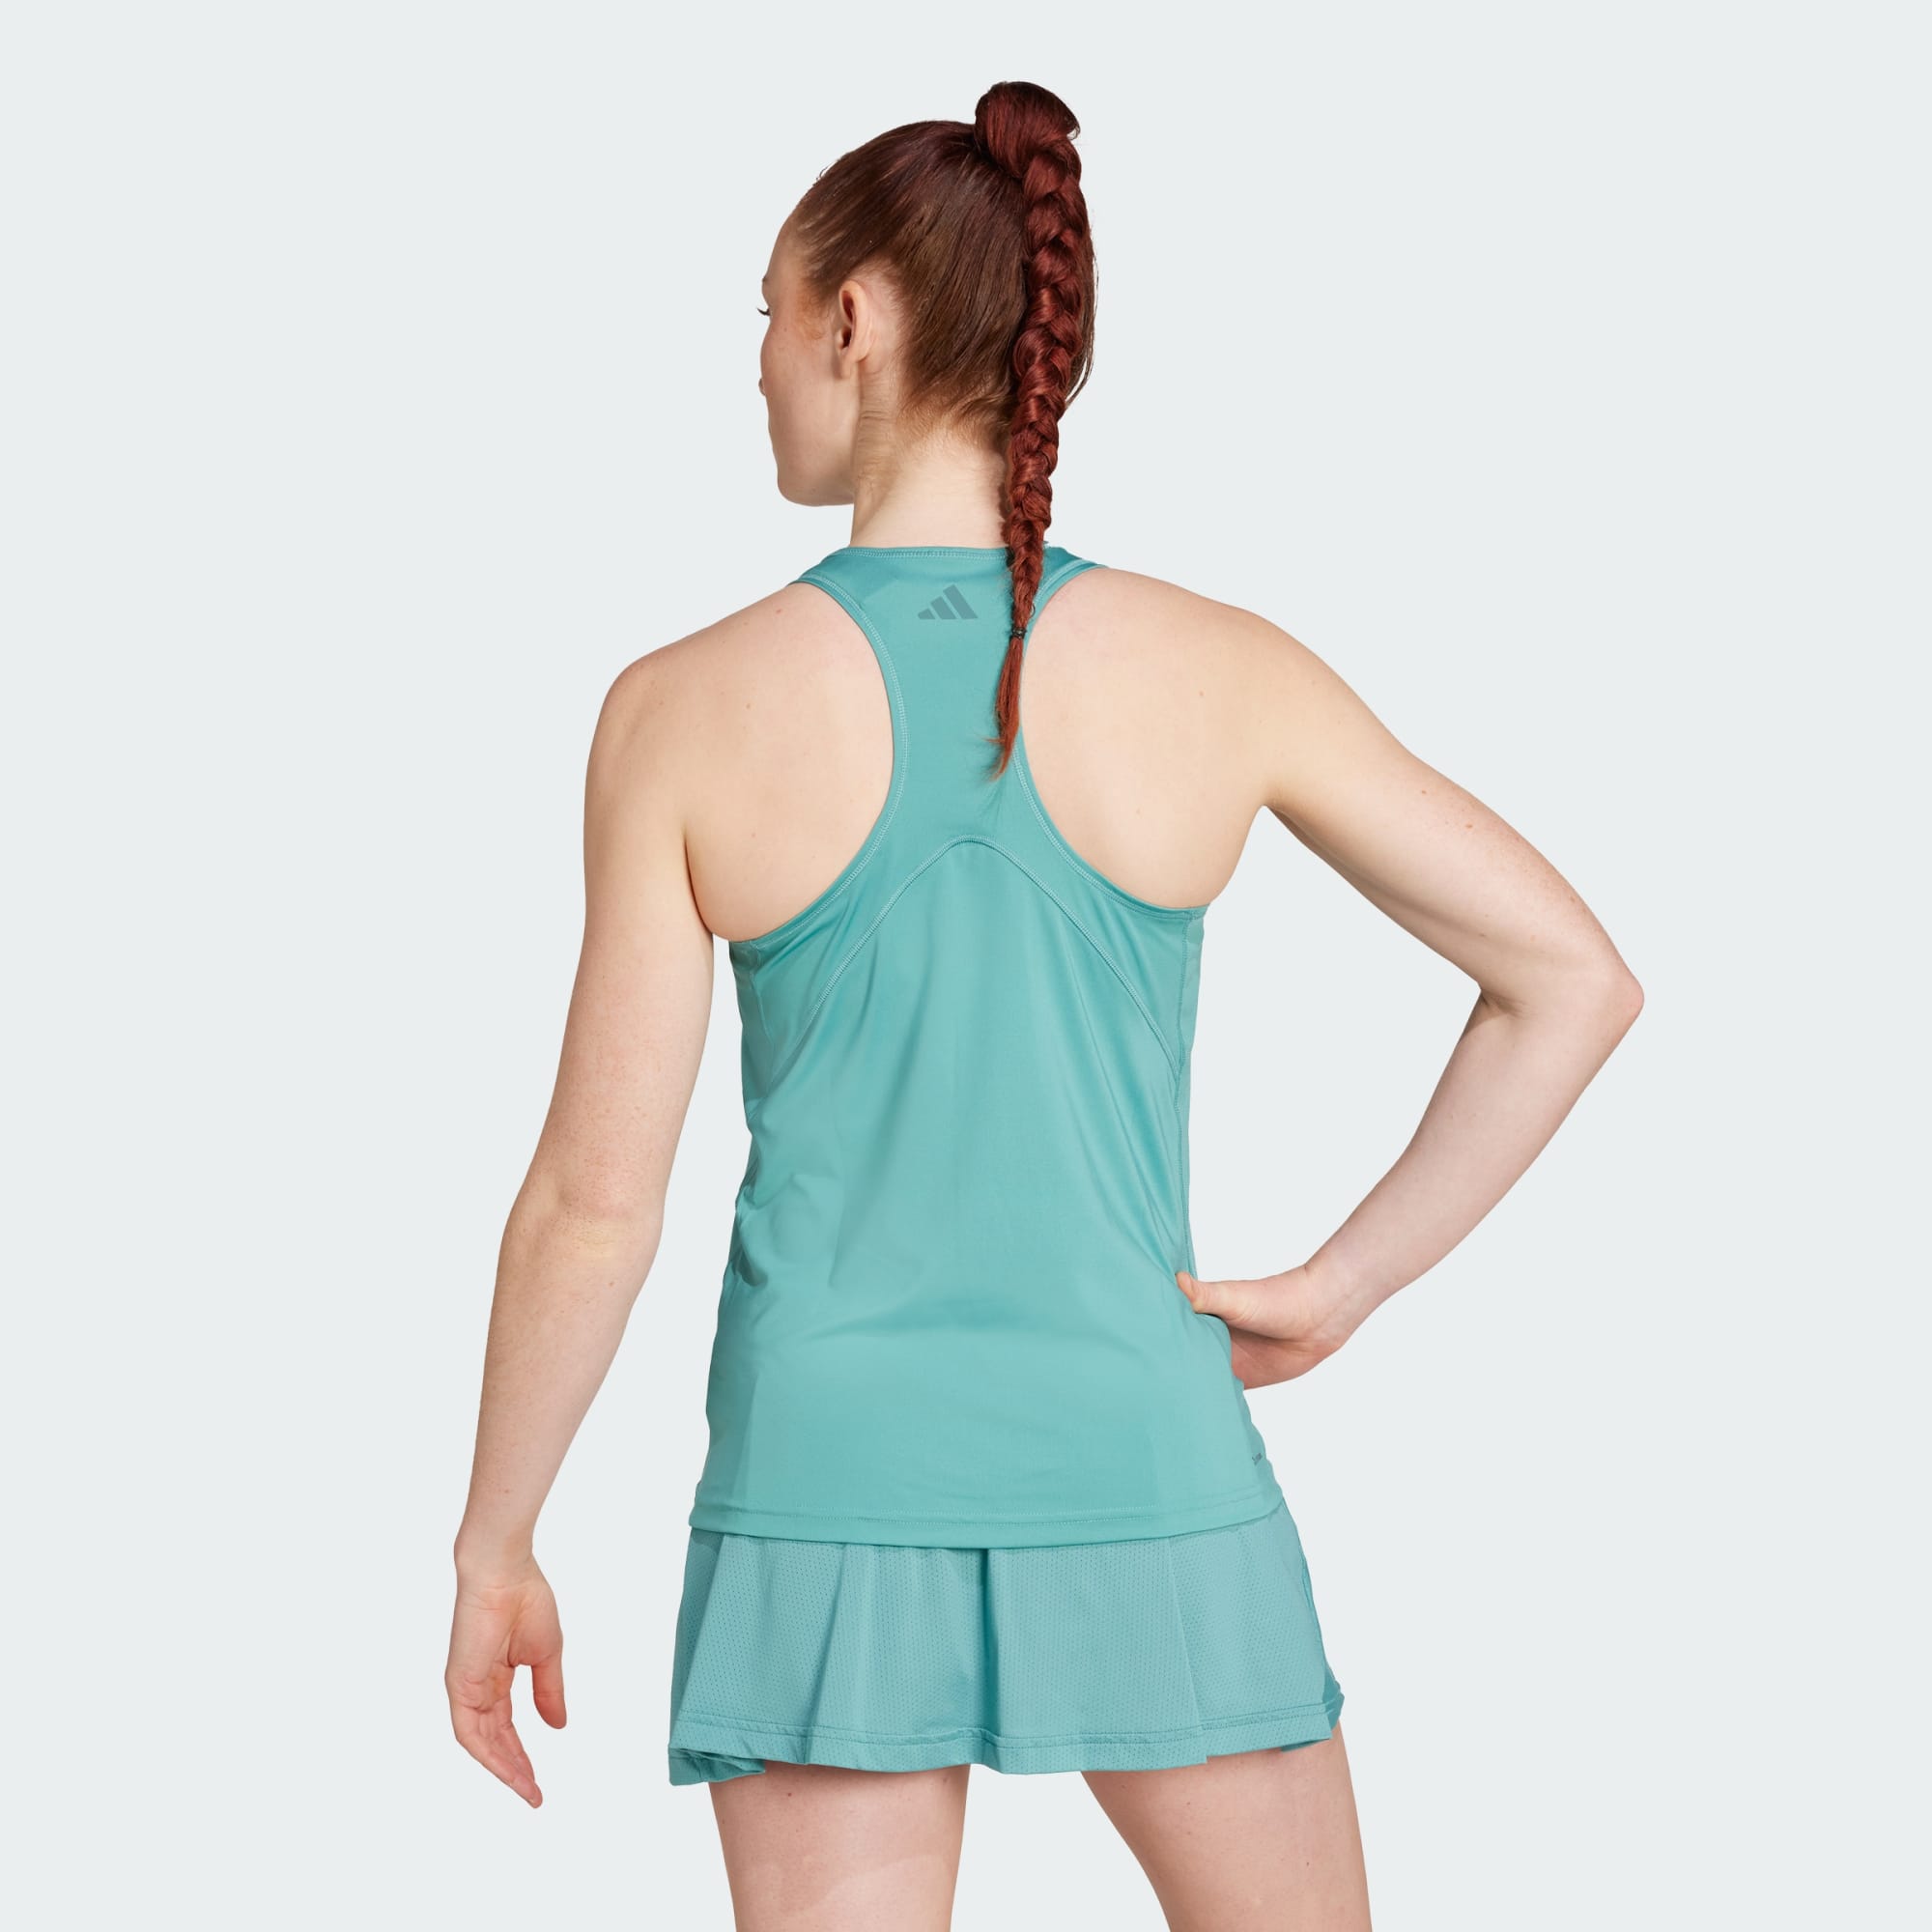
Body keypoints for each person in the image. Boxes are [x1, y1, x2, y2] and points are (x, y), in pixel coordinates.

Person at [444, 79, 1642, 1932]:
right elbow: (1570, 978)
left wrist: (495, 1538)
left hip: (825, 1486)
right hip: (1143, 1449)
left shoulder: (680, 708)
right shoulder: (1220, 668)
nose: (753, 361)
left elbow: (594, 1205)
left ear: (854, 319)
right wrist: (1347, 1282)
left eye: (766, 311)